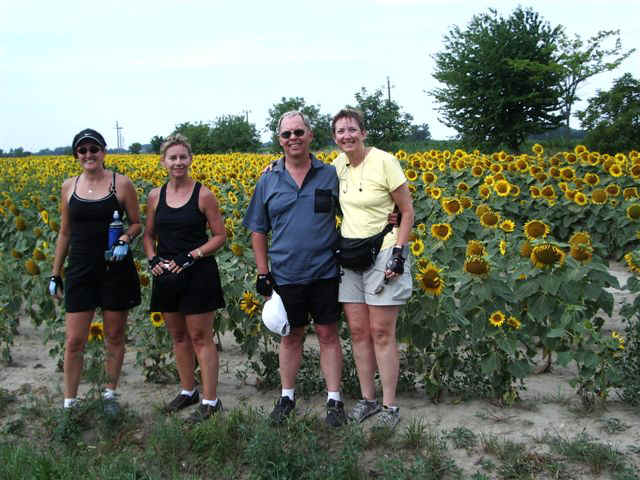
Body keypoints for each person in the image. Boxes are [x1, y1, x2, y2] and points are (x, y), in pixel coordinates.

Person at [243, 111, 347, 427]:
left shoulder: (330, 175)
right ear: (280, 141)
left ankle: (334, 400)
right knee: (291, 336)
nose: (293, 139)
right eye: (287, 134)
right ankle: (287, 396)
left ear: (310, 136)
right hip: (285, 273)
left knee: (329, 334)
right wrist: (263, 273)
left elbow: (355, 207)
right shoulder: (268, 179)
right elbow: (258, 230)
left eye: (298, 132)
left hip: (326, 270)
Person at [332, 108, 414, 430]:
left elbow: (407, 211)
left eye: (352, 129)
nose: (347, 135)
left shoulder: (385, 161)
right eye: (340, 131)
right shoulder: (337, 167)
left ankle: (389, 405)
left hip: (383, 253)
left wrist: (398, 253)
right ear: (335, 138)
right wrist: (275, 166)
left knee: (382, 332)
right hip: (350, 256)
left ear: (363, 132)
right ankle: (367, 399)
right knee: (358, 332)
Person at [49, 128, 142, 415]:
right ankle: (70, 402)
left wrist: (126, 238)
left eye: (94, 149)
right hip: (80, 268)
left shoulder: (121, 184)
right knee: (74, 340)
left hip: (115, 268)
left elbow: (137, 223)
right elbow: (65, 233)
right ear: (76, 155)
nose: (89, 155)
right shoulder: (69, 187)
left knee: (114, 336)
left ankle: (109, 395)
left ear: (104, 151)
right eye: (82, 150)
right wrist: (55, 273)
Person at [143, 134, 226, 424]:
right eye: (172, 157)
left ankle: (210, 400)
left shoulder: (203, 194)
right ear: (164, 161)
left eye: (182, 157)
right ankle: (188, 390)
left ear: (190, 159)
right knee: (178, 337)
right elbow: (149, 235)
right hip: (166, 274)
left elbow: (220, 237)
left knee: (201, 338)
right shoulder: (156, 196)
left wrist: (192, 256)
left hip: (198, 274)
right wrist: (152, 259)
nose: (178, 162)